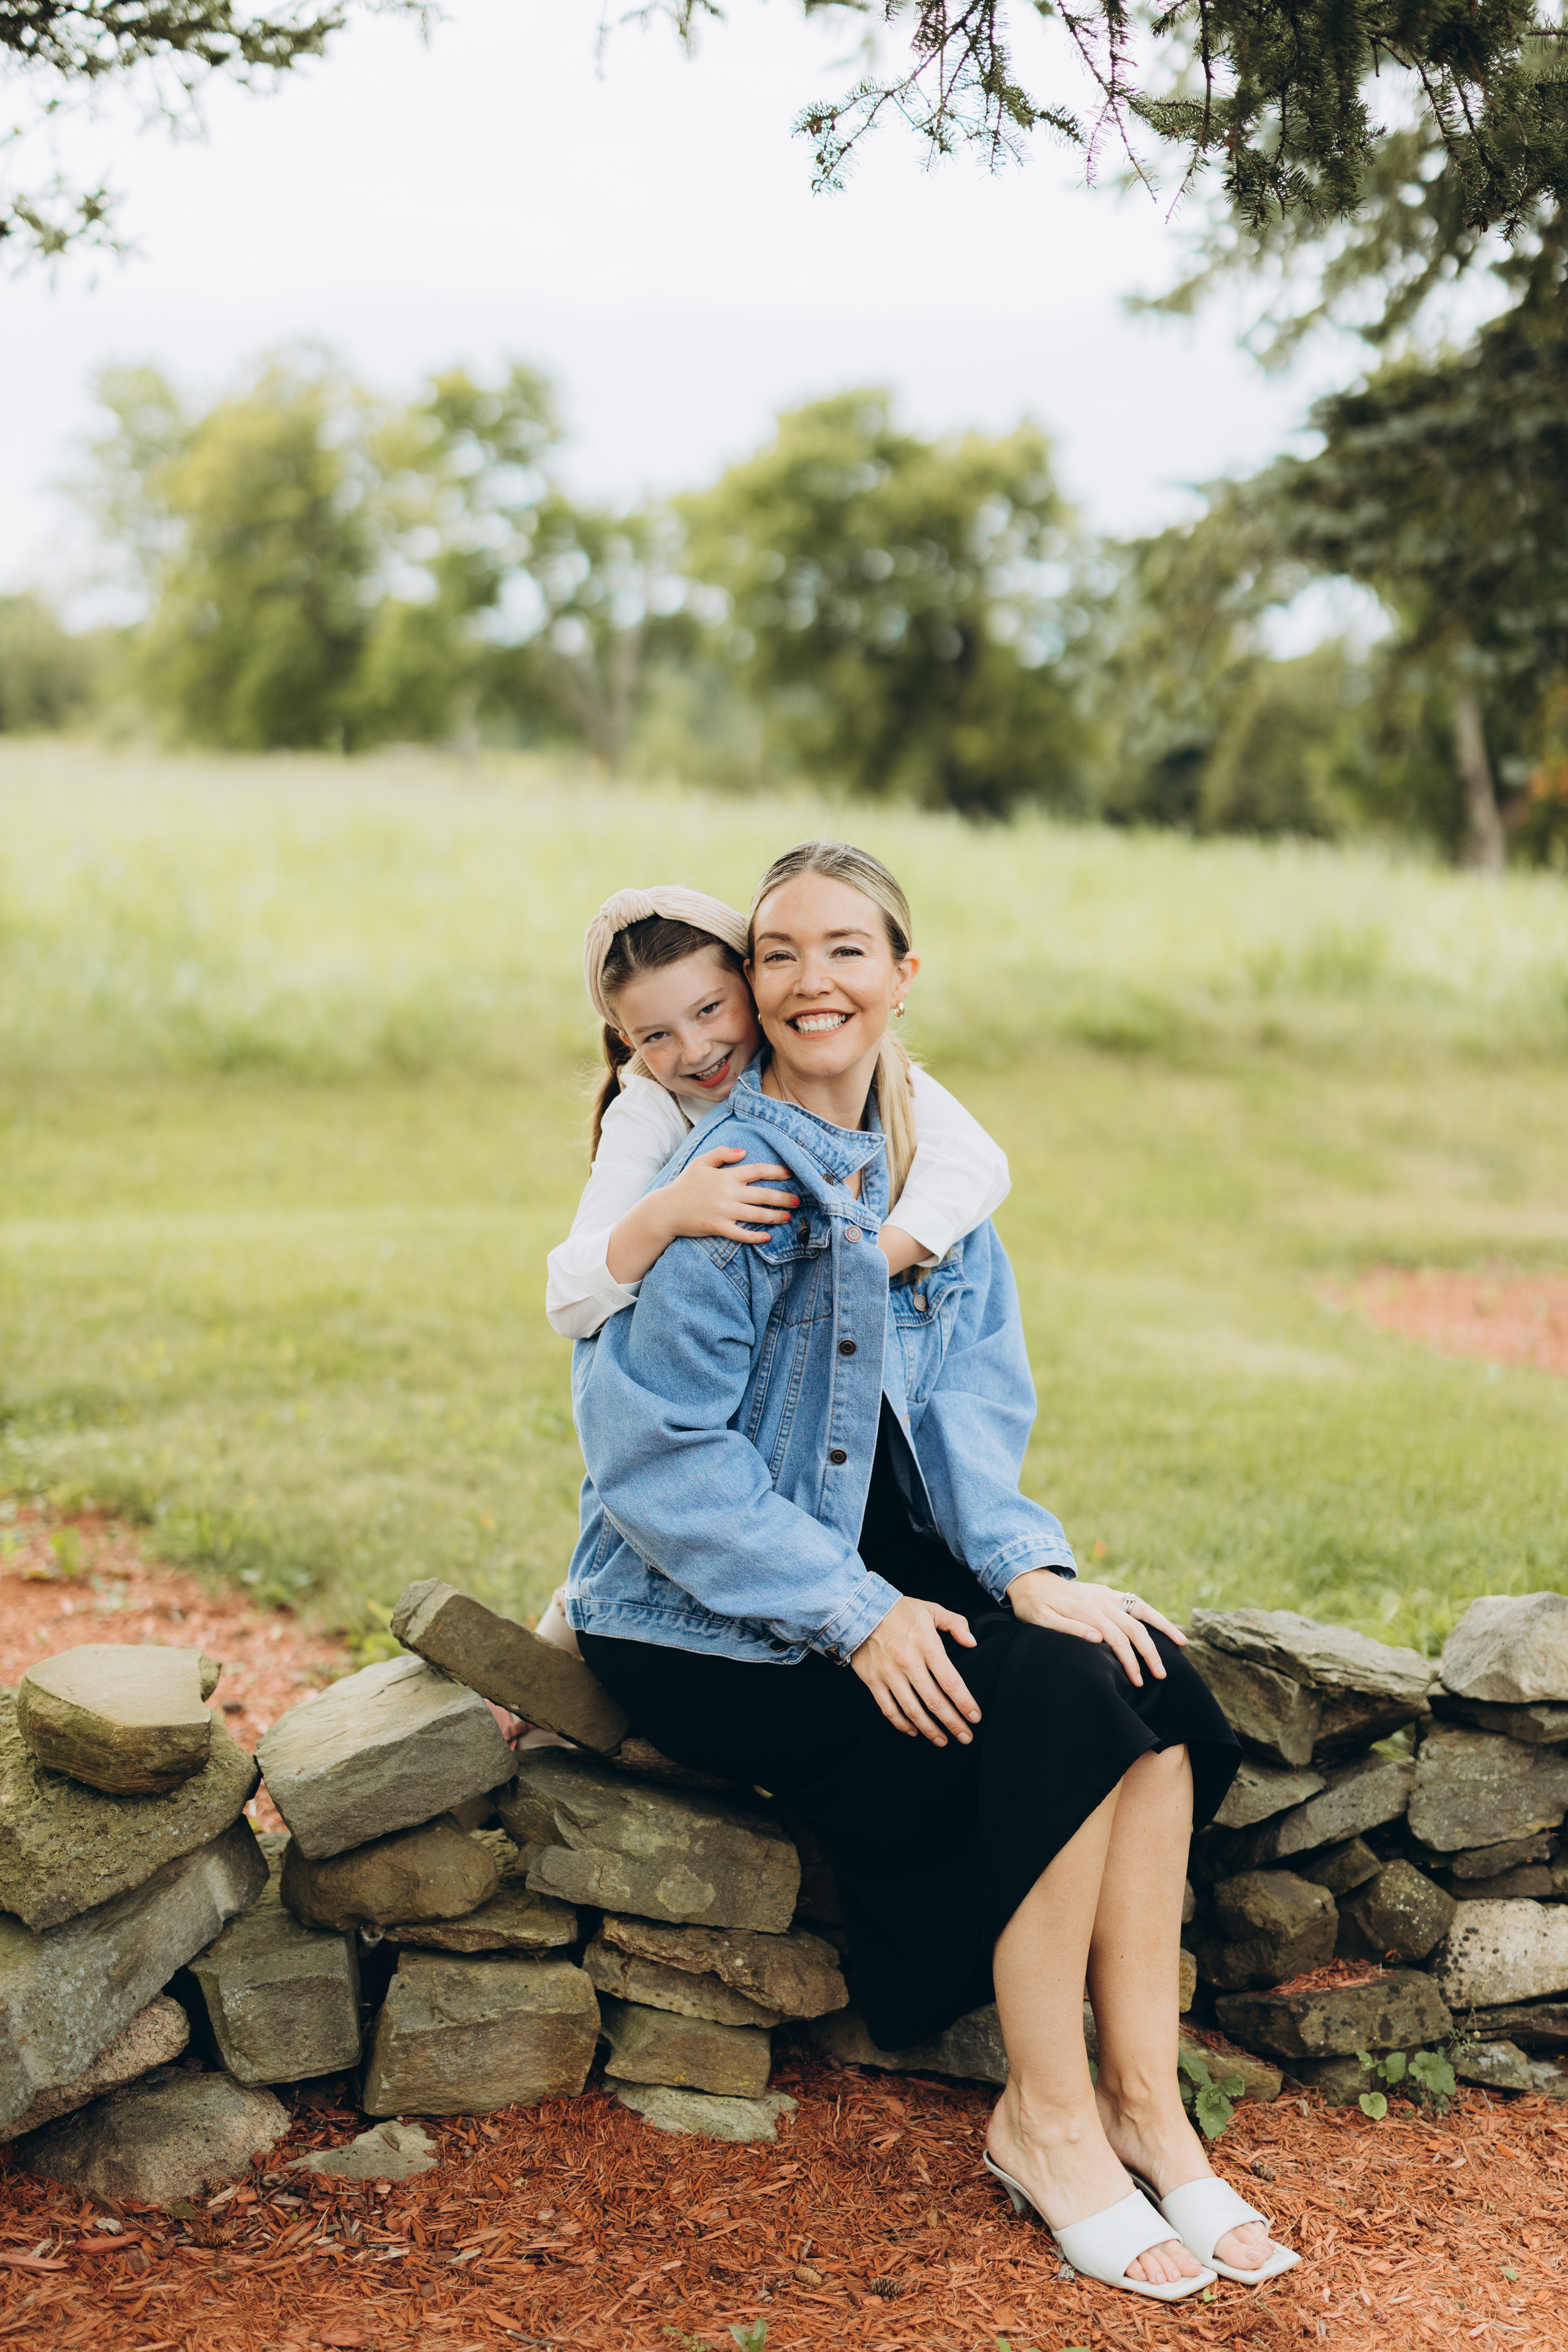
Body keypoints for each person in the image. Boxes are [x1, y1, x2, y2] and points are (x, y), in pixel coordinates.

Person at [565, 840, 1295, 2305]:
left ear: (902, 975)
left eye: (846, 947)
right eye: (777, 953)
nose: (807, 978)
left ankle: (1145, 2105)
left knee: (1140, 1683)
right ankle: (1046, 2117)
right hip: (706, 1616)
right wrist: (854, 1612)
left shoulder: (927, 1180)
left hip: (875, 1577)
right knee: (1058, 1712)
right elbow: (653, 1461)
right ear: (751, 991)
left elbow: (969, 1410)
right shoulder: (732, 1180)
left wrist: (1024, 1567)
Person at [545, 883, 1011, 1343]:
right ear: (629, 1041)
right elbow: (568, 1301)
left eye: (709, 1009)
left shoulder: (839, 1062)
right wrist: (664, 1213)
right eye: (656, 1036)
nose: (695, 1050)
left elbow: (975, 1162)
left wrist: (859, 1273)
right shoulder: (649, 1111)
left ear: (752, 984)